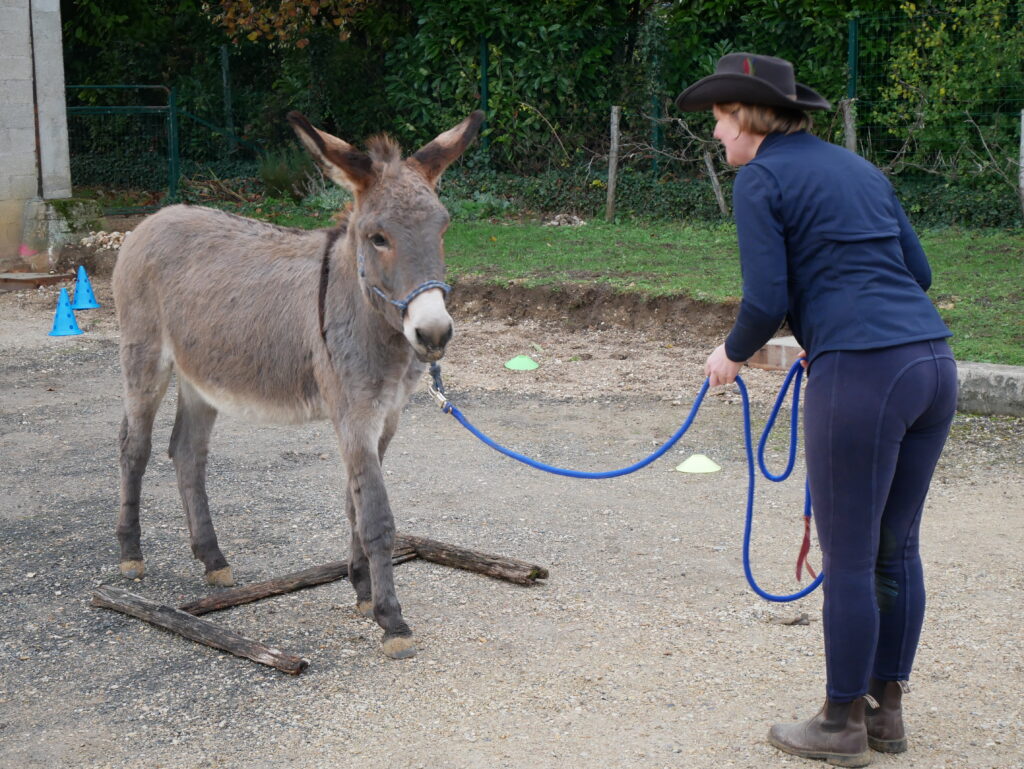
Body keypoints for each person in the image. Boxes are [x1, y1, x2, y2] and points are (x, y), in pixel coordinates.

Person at [676, 53, 958, 767]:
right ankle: (885, 713)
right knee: (897, 547)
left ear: (746, 116)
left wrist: (730, 354)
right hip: (931, 362)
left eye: (717, 120)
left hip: (865, 373)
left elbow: (765, 298)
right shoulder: (859, 169)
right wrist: (827, 328)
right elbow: (917, 273)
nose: (715, 135)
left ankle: (839, 724)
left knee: (853, 558)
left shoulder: (762, 177)